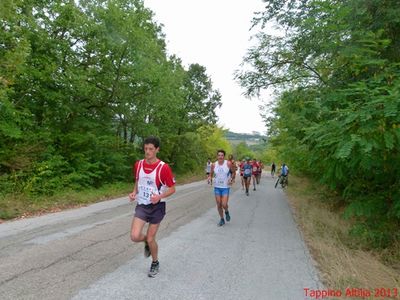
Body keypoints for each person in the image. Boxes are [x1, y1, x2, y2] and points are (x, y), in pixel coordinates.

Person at [129, 136, 176, 278]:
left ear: (157, 149)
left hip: (157, 207)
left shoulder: (164, 168)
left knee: (151, 238)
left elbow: (173, 189)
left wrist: (159, 197)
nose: (147, 152)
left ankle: (155, 262)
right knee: (134, 236)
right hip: (142, 205)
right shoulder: (138, 165)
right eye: (145, 149)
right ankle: (146, 242)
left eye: (150, 149)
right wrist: (134, 192)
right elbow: (138, 180)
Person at [209, 149, 236, 226]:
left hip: (225, 187)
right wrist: (209, 177)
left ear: (224, 156)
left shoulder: (228, 163)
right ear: (217, 156)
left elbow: (233, 172)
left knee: (224, 204)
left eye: (222, 155)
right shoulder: (214, 164)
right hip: (217, 187)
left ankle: (226, 211)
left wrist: (232, 179)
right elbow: (211, 174)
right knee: (219, 204)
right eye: (219, 155)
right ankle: (222, 219)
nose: (220, 157)